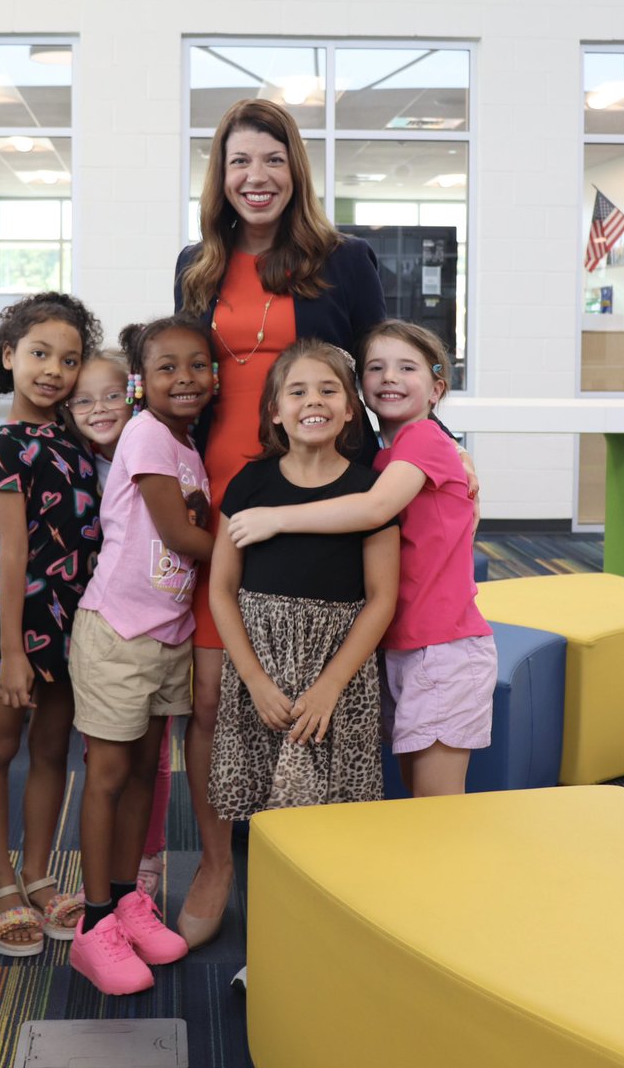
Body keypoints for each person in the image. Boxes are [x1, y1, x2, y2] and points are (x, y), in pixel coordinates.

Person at [174, 97, 385, 946]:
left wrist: (433, 453)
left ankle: (309, 866)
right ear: (220, 176)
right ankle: (217, 862)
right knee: (211, 694)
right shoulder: (197, 264)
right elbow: (178, 377)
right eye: (239, 161)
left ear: (295, 168)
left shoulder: (346, 260)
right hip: (218, 497)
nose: (255, 177)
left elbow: (380, 373)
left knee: (314, 679)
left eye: (271, 159)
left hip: (315, 495)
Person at [228, 319, 497, 799]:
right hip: (405, 645)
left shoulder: (423, 441)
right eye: (376, 367)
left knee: (438, 805)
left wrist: (276, 518)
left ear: (437, 388)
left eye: (407, 367)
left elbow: (374, 509)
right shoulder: (384, 459)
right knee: (417, 795)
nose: (390, 376)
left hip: (442, 647)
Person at [67, 315, 214, 996]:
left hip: (168, 637)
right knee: (108, 776)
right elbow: (180, 536)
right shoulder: (148, 433)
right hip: (119, 634)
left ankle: (128, 900)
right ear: (140, 382)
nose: (184, 378)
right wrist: (266, 548)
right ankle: (95, 924)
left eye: (198, 365)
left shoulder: (188, 446)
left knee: (142, 779)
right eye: (166, 367)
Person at [209, 339, 399, 814]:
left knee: (333, 816)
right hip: (262, 669)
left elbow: (381, 598)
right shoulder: (249, 484)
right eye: (297, 392)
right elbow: (221, 589)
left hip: (337, 673)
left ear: (350, 410)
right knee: (264, 810)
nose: (314, 400)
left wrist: (330, 684)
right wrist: (254, 680)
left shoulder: (370, 491)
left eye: (328, 390)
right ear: (275, 412)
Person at [0, 291, 103, 956]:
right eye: (40, 354)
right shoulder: (8, 445)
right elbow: (14, 554)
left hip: (75, 616)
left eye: (69, 359)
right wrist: (14, 652)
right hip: (18, 617)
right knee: (0, 747)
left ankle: (39, 875)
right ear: (9, 356)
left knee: (53, 750)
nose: (54, 370)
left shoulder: (78, 437)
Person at [65, 348, 173, 901]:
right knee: (106, 760)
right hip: (107, 622)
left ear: (133, 394)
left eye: (112, 395)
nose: (100, 409)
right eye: (83, 401)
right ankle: (101, 881)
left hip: (163, 620)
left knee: (153, 760)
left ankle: (145, 854)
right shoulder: (78, 467)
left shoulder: (155, 444)